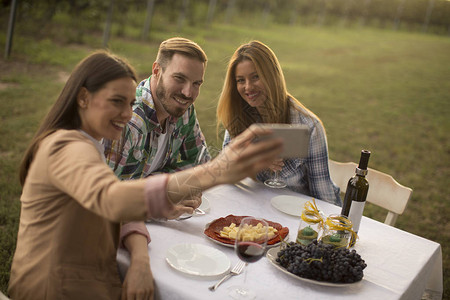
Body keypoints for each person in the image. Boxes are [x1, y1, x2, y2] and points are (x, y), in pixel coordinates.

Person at [8, 50, 283, 300]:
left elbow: (122, 202)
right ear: (83, 97)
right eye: (117, 102)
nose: (128, 114)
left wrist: (139, 260)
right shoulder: (65, 147)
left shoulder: (90, 144)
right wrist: (216, 172)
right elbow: (113, 198)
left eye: (129, 103)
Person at [216, 40, 341, 205]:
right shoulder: (239, 116)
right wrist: (251, 161)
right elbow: (222, 174)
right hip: (251, 209)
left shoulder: (309, 126)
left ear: (272, 75)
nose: (248, 87)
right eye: (240, 80)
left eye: (256, 77)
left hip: (293, 214)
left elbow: (325, 198)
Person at [104, 37, 211, 180]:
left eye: (196, 84)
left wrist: (161, 183)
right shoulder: (127, 122)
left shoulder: (184, 110)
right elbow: (101, 195)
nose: (188, 93)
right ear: (156, 70)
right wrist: (165, 191)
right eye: (179, 78)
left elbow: (201, 162)